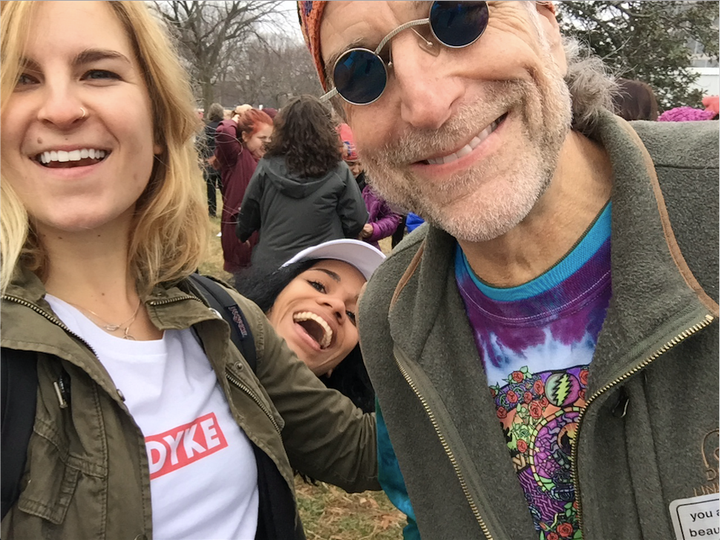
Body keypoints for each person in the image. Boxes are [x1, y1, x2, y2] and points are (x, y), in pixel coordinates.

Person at [298, 1, 719, 539]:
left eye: (457, 16)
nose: (428, 103)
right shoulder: (390, 314)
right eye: (360, 71)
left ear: (547, 22)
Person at [0, 2, 378, 539]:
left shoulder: (222, 318)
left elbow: (362, 450)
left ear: (158, 122)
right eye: (21, 78)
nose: (61, 109)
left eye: (98, 73)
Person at [236, 239, 386, 413]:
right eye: (318, 285)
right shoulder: (202, 345)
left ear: (336, 366)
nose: (337, 305)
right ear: (271, 299)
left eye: (353, 315)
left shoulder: (344, 435)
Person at [236, 94, 368, 269]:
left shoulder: (266, 165)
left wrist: (243, 233)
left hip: (273, 263)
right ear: (326, 129)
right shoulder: (338, 169)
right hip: (321, 261)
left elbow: (248, 214)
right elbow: (356, 219)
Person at [214, 107, 273, 273]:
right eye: (262, 138)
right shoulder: (236, 156)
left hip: (260, 241)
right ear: (246, 136)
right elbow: (224, 132)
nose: (267, 143)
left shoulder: (266, 161)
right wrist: (237, 117)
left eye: (270, 139)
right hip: (239, 240)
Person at [343, 142, 402, 250]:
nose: (357, 170)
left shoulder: (374, 186)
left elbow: (393, 217)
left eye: (360, 164)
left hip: (367, 250)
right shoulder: (329, 187)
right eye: (350, 164)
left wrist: (374, 229)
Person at [199, 102, 224, 217]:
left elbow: (200, 143)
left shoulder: (207, 128)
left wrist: (202, 156)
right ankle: (227, 209)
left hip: (209, 160)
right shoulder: (225, 126)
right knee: (225, 188)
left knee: (211, 188)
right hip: (223, 160)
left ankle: (212, 212)